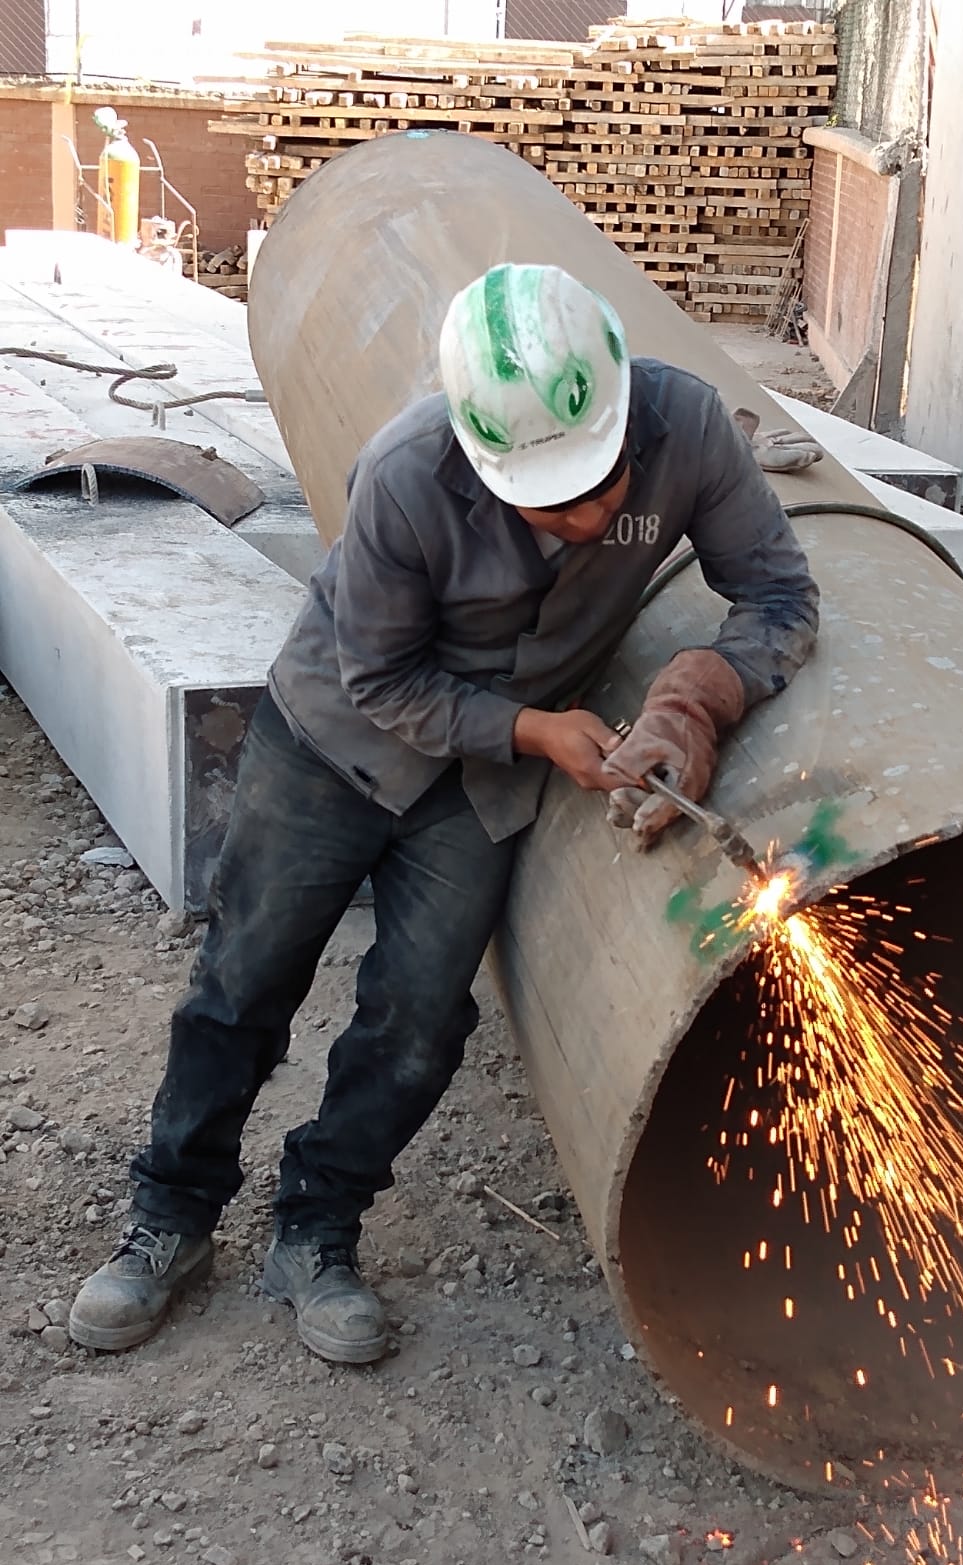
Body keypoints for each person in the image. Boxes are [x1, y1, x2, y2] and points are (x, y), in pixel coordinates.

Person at [68, 262, 819, 1363]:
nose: (593, 517)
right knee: (242, 984)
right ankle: (169, 1218)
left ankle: (317, 1228)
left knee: (418, 1023)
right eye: (553, 500)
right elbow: (380, 679)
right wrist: (537, 730)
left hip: (476, 790)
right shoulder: (408, 471)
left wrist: (693, 700)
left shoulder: (691, 426)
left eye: (606, 482)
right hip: (332, 746)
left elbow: (781, 595)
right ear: (481, 453)